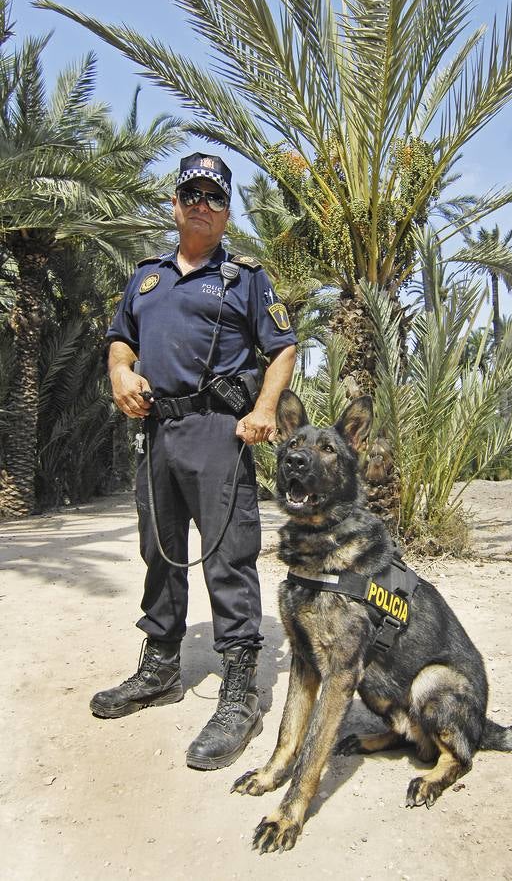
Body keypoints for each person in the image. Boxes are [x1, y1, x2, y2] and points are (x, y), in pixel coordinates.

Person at [90, 152, 297, 771]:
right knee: (160, 550)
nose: (201, 204)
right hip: (157, 430)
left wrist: (263, 409)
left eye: (213, 196)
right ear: (175, 205)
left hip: (217, 430)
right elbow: (120, 337)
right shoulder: (147, 277)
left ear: (227, 211)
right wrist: (121, 370)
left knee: (229, 556)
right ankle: (158, 668)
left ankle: (239, 690)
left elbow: (283, 348)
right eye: (192, 194)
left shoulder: (245, 278)